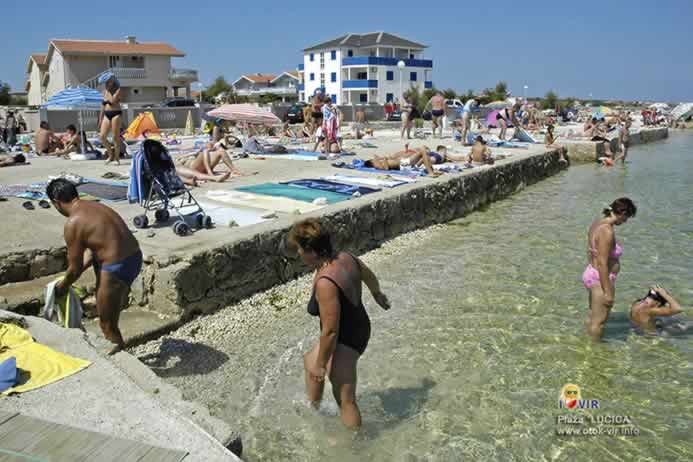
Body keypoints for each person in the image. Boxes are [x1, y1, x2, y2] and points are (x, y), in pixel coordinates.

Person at [288, 218, 390, 428]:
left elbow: (331, 332)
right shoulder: (346, 257)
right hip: (355, 325)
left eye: (300, 248)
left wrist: (322, 365)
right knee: (310, 361)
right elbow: (368, 275)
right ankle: (313, 407)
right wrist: (377, 294)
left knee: (345, 398)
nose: (298, 253)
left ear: (312, 252)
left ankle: (356, 445)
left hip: (349, 337)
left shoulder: (326, 283)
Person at [47, 178, 142, 354]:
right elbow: (93, 252)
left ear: (56, 203)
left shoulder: (73, 223)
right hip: (134, 258)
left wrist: (61, 287)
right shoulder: (97, 207)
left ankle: (125, 370)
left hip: (116, 268)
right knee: (109, 308)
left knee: (107, 325)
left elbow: (74, 270)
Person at [583, 198, 637, 341]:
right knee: (599, 323)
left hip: (592, 274)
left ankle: (587, 347)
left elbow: (590, 252)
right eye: (627, 217)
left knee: (593, 318)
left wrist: (593, 269)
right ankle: (594, 356)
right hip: (601, 278)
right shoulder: (607, 231)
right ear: (622, 213)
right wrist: (608, 291)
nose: (625, 221)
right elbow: (602, 263)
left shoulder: (597, 224)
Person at [98, 72, 123, 165]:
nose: (108, 83)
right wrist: (100, 119)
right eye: (107, 81)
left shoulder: (118, 90)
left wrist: (107, 98)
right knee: (102, 137)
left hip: (116, 113)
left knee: (115, 137)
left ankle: (117, 159)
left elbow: (112, 101)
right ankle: (110, 154)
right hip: (106, 114)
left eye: (110, 81)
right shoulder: (104, 91)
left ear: (113, 81)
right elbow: (102, 106)